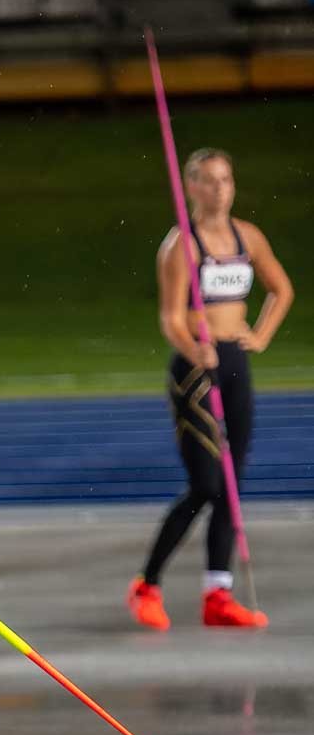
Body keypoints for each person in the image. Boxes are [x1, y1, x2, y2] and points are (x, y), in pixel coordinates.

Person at [127, 148, 294, 631]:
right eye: (209, 181)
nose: (220, 188)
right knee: (206, 484)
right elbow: (170, 318)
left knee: (233, 487)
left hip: (235, 362)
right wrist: (192, 347)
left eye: (226, 179)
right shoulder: (182, 245)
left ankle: (218, 595)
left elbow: (281, 289)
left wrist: (259, 335)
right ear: (191, 187)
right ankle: (147, 585)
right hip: (196, 367)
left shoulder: (248, 237)